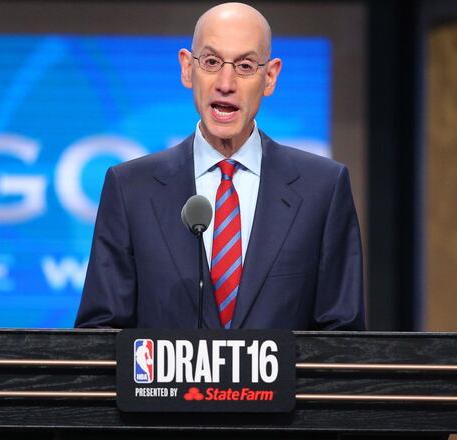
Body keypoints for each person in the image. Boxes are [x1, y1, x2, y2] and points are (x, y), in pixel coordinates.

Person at [75, 2, 364, 330]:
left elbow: (344, 341)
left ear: (270, 77)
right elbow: (99, 338)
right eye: (211, 62)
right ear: (187, 68)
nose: (225, 83)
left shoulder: (323, 189)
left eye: (245, 66)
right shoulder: (130, 189)